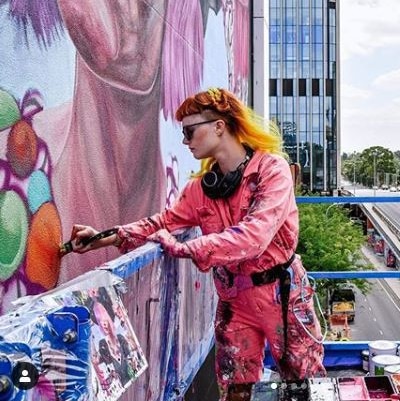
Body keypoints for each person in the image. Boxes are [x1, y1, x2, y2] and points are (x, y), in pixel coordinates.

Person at [68, 88, 326, 397]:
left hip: (282, 296)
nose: (185, 140)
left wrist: (186, 248)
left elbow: (255, 235)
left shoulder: (271, 171)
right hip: (235, 300)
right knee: (235, 389)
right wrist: (99, 238)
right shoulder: (201, 191)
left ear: (219, 126)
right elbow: (160, 224)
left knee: (304, 384)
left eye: (190, 131)